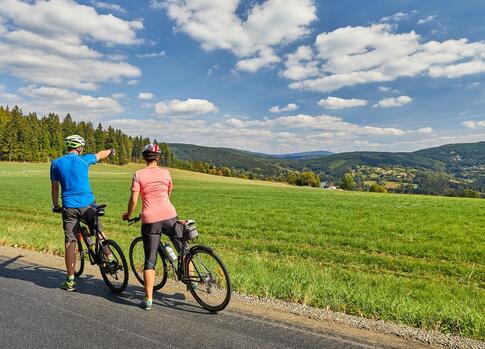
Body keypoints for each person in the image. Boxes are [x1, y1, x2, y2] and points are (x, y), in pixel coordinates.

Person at [50, 134, 115, 291]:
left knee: (70, 241)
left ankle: (70, 280)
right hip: (88, 204)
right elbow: (100, 154)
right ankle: (110, 258)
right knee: (99, 231)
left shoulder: (56, 163)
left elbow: (54, 187)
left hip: (69, 207)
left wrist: (55, 205)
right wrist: (111, 150)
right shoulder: (84, 159)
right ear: (78, 148)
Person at [122, 143, 180, 310]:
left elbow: (134, 200)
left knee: (150, 260)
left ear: (144, 158)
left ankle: (148, 299)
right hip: (170, 215)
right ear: (158, 158)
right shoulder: (166, 173)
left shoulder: (138, 174)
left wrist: (128, 214)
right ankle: (193, 281)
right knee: (182, 247)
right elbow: (169, 192)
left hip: (151, 220)